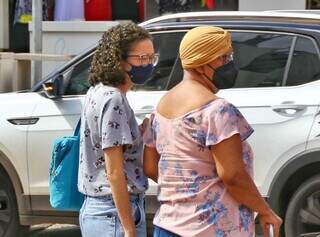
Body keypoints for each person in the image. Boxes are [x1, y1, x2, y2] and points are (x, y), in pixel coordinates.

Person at [143, 26, 282, 237]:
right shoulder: (216, 110)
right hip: (210, 230)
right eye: (224, 58)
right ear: (201, 63)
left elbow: (151, 166)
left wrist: (186, 193)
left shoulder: (162, 106)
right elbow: (233, 175)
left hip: (168, 226)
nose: (230, 64)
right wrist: (265, 211)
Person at [78, 23, 159, 237]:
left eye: (152, 58)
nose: (149, 64)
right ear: (120, 60)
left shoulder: (97, 91)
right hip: (113, 213)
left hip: (103, 210)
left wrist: (139, 133)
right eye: (142, 59)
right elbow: (114, 171)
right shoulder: (113, 99)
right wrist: (129, 228)